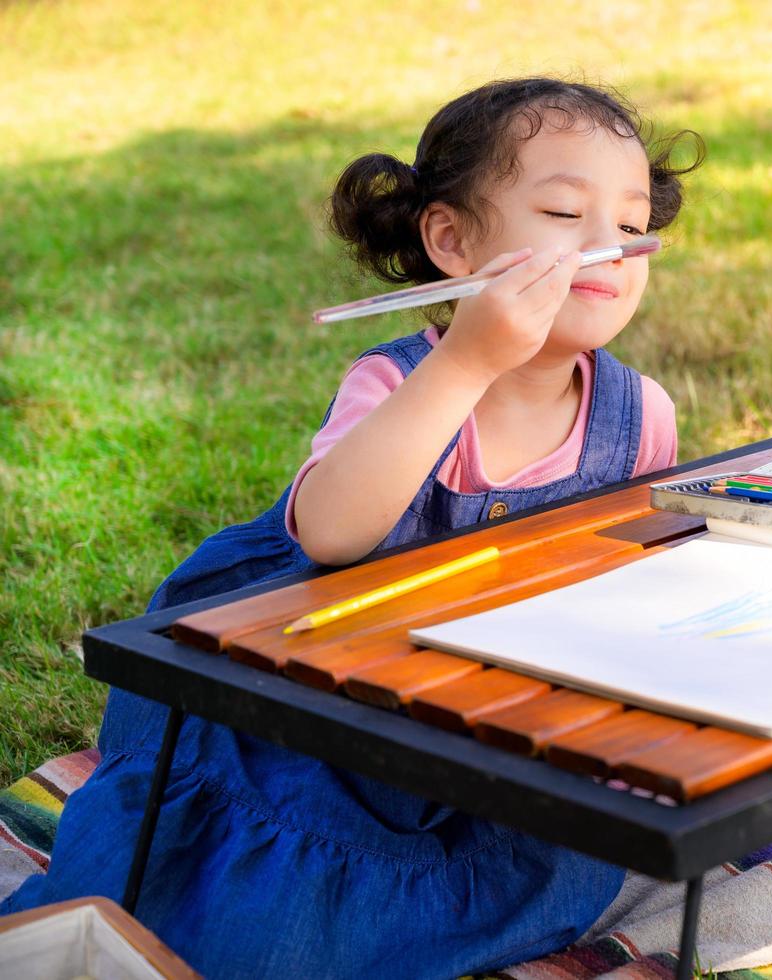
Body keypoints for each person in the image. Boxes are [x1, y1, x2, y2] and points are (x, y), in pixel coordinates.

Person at [1, 77, 703, 978]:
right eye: (564, 211)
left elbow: (625, 574)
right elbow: (333, 536)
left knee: (553, 852)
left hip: (483, 702)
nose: (608, 246)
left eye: (633, 220)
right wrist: (467, 362)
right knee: (245, 902)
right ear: (451, 241)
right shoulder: (396, 384)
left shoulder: (639, 411)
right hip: (315, 693)